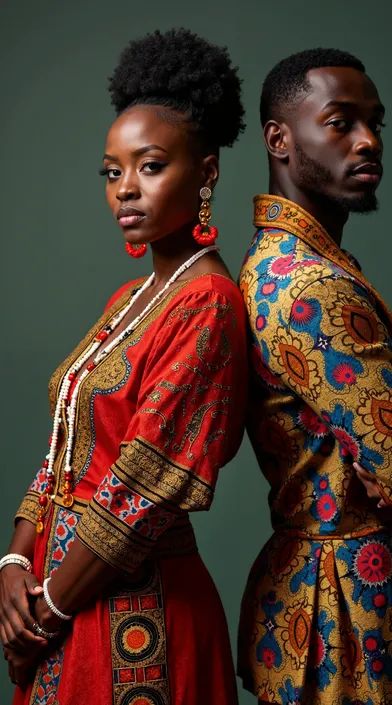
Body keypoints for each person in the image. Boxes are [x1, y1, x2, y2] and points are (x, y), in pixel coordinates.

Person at [0, 28, 247, 705]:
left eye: (151, 165)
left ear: (207, 172)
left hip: (134, 615)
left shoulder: (207, 305)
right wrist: (15, 561)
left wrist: (43, 611)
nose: (126, 190)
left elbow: (141, 487)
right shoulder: (131, 299)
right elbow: (65, 443)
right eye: (113, 172)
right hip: (63, 599)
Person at [237, 48, 392, 705]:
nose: (369, 140)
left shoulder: (296, 261)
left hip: (342, 605)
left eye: (376, 123)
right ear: (279, 139)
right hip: (347, 623)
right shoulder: (312, 286)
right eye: (341, 121)